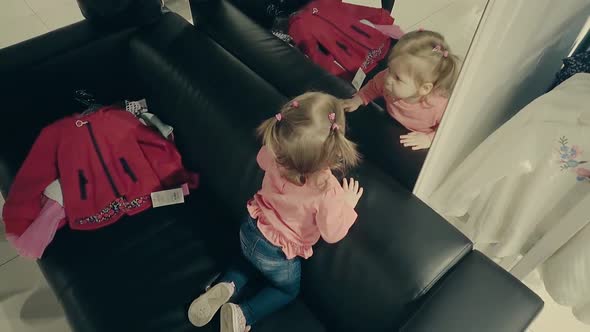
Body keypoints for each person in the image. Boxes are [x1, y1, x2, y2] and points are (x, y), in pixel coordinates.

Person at [187, 92, 364, 332]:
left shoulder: (275, 154)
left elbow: (261, 159)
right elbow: (332, 233)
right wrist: (347, 205)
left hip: (250, 228)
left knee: (246, 261)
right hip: (279, 254)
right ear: (335, 146)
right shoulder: (327, 189)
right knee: (287, 290)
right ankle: (244, 314)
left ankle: (226, 285)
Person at [342, 29, 461, 150]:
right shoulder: (387, 77)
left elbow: (450, 129)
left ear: (424, 89)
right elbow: (373, 87)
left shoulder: (438, 107)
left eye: (398, 78)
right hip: (390, 121)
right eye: (389, 68)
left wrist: (429, 139)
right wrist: (358, 99)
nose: (388, 78)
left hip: (418, 135)